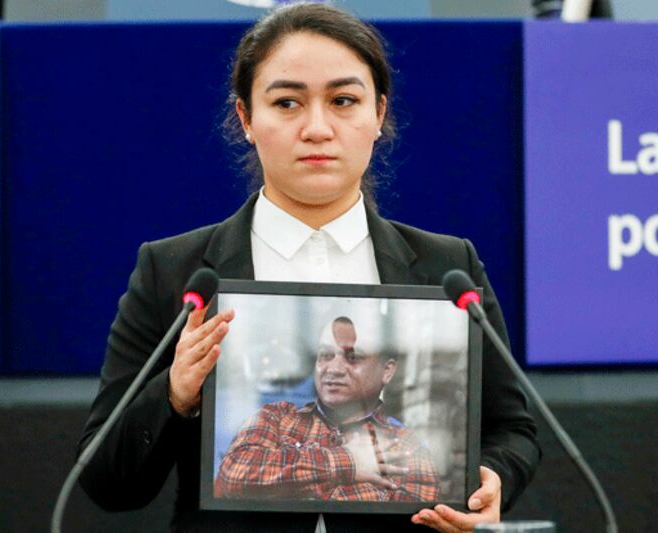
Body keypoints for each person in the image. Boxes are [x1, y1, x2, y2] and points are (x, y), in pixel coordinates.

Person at [78, 4, 540, 532]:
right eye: (287, 103)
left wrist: (494, 477)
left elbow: (512, 430)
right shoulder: (175, 272)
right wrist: (174, 396)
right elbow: (106, 483)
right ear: (247, 119)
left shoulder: (448, 268)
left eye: (343, 101)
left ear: (379, 115)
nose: (317, 128)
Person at [215, 316, 441, 502]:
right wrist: (349, 463)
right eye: (325, 355)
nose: (333, 368)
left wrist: (287, 481)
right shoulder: (276, 418)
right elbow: (230, 479)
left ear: (387, 371)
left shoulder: (406, 446)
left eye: (353, 357)